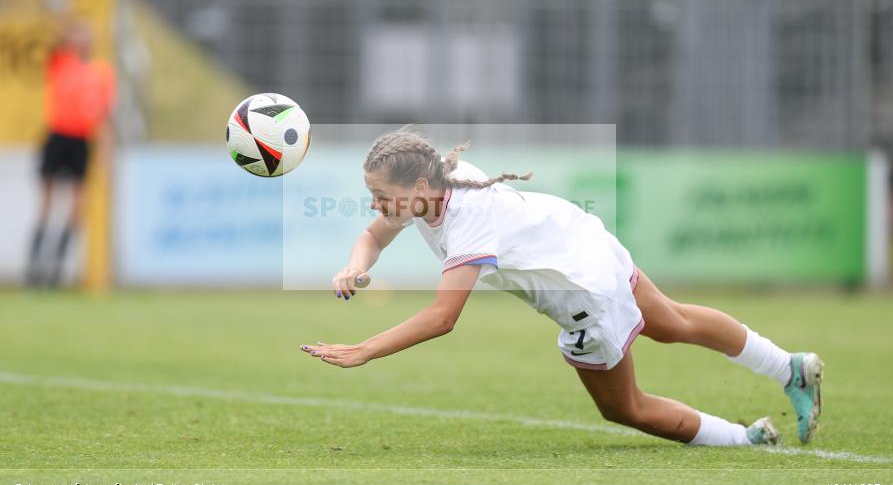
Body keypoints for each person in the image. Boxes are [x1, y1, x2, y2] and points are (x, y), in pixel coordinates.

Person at [301, 127, 823, 447]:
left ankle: (746, 439)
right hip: (584, 242)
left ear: (417, 187)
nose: (374, 204)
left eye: (379, 194)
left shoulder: (467, 221)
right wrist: (355, 266)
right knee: (676, 321)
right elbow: (374, 236)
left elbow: (442, 318)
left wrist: (364, 350)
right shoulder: (437, 181)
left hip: (582, 293)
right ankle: (789, 367)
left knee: (624, 408)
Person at [25, 21, 116, 288]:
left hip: (81, 140)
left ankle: (56, 269)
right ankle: (35, 269)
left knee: (77, 206)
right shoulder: (61, 61)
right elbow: (52, 38)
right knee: (47, 202)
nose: (84, 39)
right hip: (57, 135)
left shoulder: (102, 72)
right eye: (80, 34)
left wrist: (105, 157)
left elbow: (105, 118)